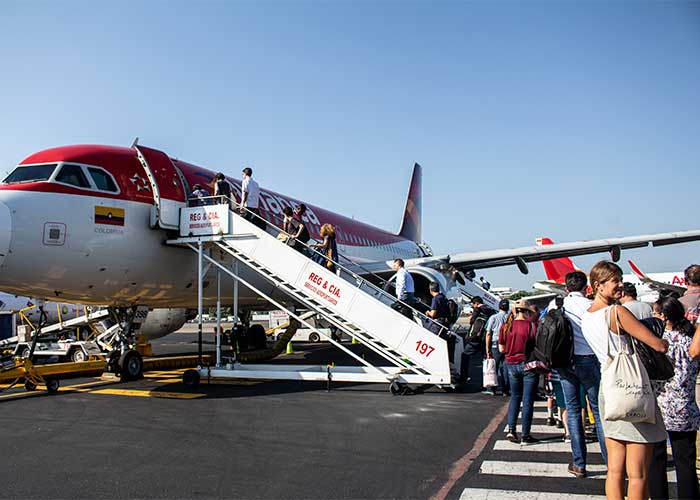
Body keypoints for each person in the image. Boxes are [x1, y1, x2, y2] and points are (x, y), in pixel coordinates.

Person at [581, 260, 669, 500]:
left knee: (615, 470)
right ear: (598, 285)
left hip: (609, 389)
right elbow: (658, 345)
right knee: (639, 474)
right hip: (631, 389)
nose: (620, 285)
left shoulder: (587, 316)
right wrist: (663, 337)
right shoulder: (616, 312)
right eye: (615, 281)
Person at [549, 271, 608, 478]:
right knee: (598, 412)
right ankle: (611, 462)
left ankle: (579, 463)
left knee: (573, 411)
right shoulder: (592, 306)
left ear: (566, 288)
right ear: (586, 288)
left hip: (565, 362)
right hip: (589, 359)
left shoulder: (556, 304)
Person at [648, 296, 700, 500]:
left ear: (663, 316)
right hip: (685, 406)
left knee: (656, 460)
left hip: (660, 405)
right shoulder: (691, 340)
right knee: (686, 462)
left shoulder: (658, 342)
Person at [499, 299, 540, 444]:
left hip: (511, 363)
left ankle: (511, 429)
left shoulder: (506, 326)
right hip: (528, 364)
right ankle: (525, 435)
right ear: (528, 312)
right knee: (527, 400)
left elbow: (501, 349)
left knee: (515, 396)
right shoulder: (532, 326)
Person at [459, 296, 496, 387]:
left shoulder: (477, 309)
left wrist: (471, 317)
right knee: (486, 360)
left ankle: (463, 378)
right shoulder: (491, 310)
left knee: (465, 356)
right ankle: (488, 380)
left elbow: (472, 321)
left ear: (476, 303)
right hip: (485, 340)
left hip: (475, 339)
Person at [484, 299, 510, 396]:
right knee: (505, 368)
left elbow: (488, 333)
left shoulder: (493, 317)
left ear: (499, 307)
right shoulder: (510, 318)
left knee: (493, 366)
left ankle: (491, 388)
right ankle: (505, 390)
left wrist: (487, 349)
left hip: (496, 343)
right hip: (507, 344)